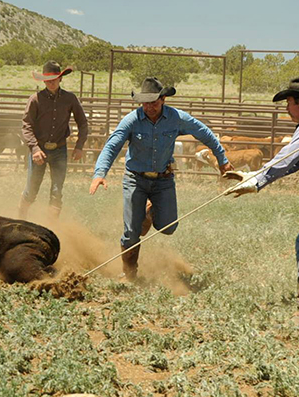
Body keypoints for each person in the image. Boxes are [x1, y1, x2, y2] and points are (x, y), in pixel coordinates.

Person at [89, 77, 234, 280]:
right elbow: (112, 146)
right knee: (131, 231)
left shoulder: (177, 118)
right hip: (135, 179)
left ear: (163, 99)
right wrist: (99, 173)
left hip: (163, 180)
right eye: (145, 103)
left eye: (154, 103)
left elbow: (205, 133)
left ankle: (149, 213)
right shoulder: (131, 120)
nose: (149, 107)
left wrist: (222, 159)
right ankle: (130, 273)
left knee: (169, 227)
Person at [227, 78, 299, 311]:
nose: (286, 109)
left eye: (289, 102)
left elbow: (288, 156)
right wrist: (257, 176)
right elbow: (294, 163)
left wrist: (257, 180)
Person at [20, 61, 89, 220]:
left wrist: (79, 146)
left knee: (57, 191)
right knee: (31, 190)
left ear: (60, 79)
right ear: (43, 81)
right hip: (39, 150)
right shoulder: (35, 99)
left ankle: (53, 226)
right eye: (48, 79)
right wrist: (34, 148)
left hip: (59, 149)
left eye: (54, 79)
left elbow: (82, 123)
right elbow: (27, 125)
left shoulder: (70, 98)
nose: (51, 82)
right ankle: (20, 218)